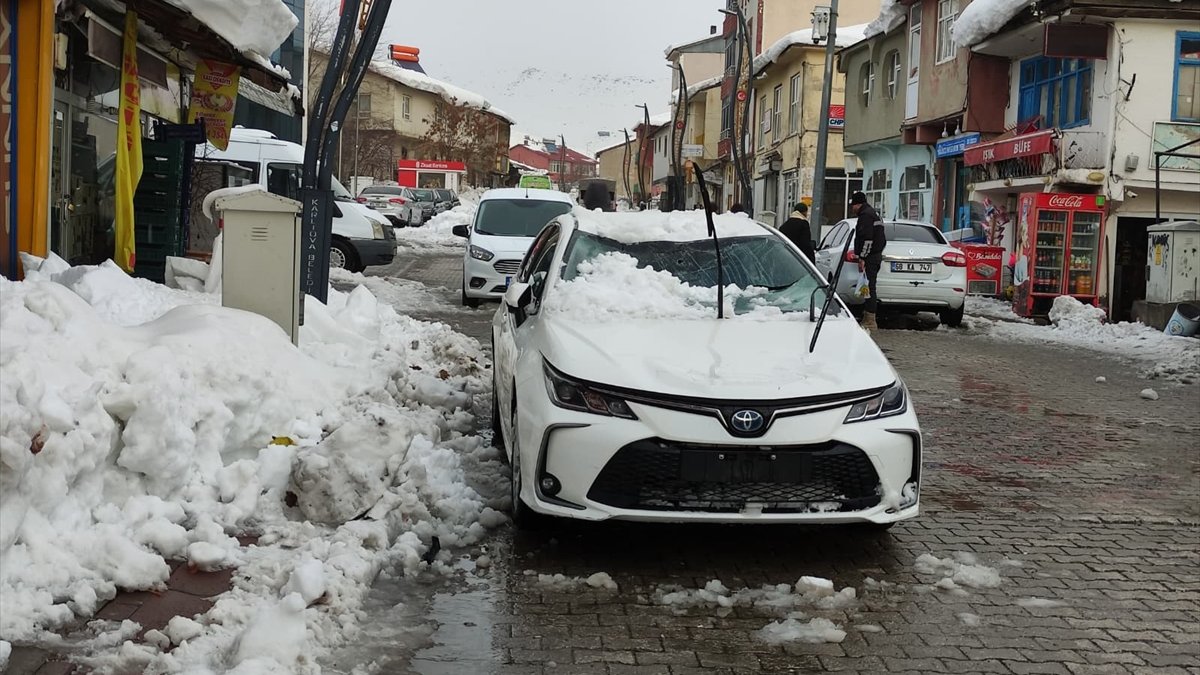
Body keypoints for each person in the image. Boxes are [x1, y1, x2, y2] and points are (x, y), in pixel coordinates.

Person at [850, 190, 886, 333]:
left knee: (869, 287)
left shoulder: (865, 216)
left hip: (870, 257)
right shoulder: (874, 214)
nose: (852, 208)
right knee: (869, 286)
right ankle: (868, 317)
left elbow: (867, 239)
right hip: (875, 255)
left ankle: (870, 320)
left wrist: (862, 257)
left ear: (858, 204)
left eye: (853, 205)